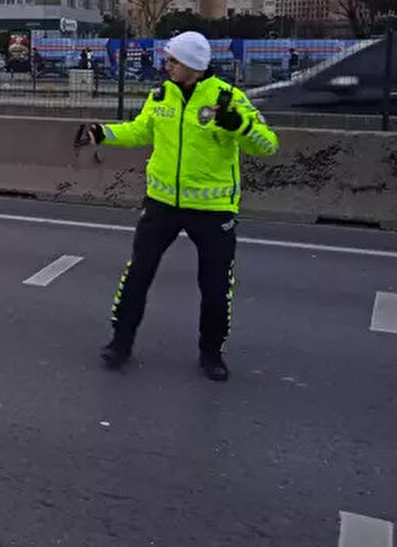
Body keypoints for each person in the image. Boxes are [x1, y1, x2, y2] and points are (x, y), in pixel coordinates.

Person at [79, 31, 279, 381]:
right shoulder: (161, 95)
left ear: (193, 66)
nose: (166, 65)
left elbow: (268, 145)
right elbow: (141, 131)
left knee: (215, 285)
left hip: (213, 210)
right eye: (167, 59)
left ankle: (211, 353)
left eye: (173, 60)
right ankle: (120, 343)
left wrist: (240, 126)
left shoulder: (228, 99)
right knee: (137, 275)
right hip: (161, 205)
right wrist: (105, 133)